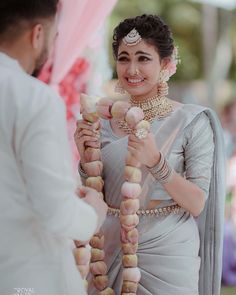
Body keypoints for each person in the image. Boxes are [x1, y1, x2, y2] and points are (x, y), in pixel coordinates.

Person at [75, 14, 225, 295]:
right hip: (108, 248)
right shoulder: (104, 120)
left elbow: (197, 203)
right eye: (124, 58)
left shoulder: (190, 121)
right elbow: (99, 194)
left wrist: (156, 162)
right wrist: (85, 163)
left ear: (166, 64)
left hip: (168, 252)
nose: (132, 69)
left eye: (143, 58)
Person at [0, 1, 108, 295]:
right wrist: (93, 214)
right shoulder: (35, 98)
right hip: (26, 277)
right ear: (37, 34)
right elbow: (55, 210)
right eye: (54, 35)